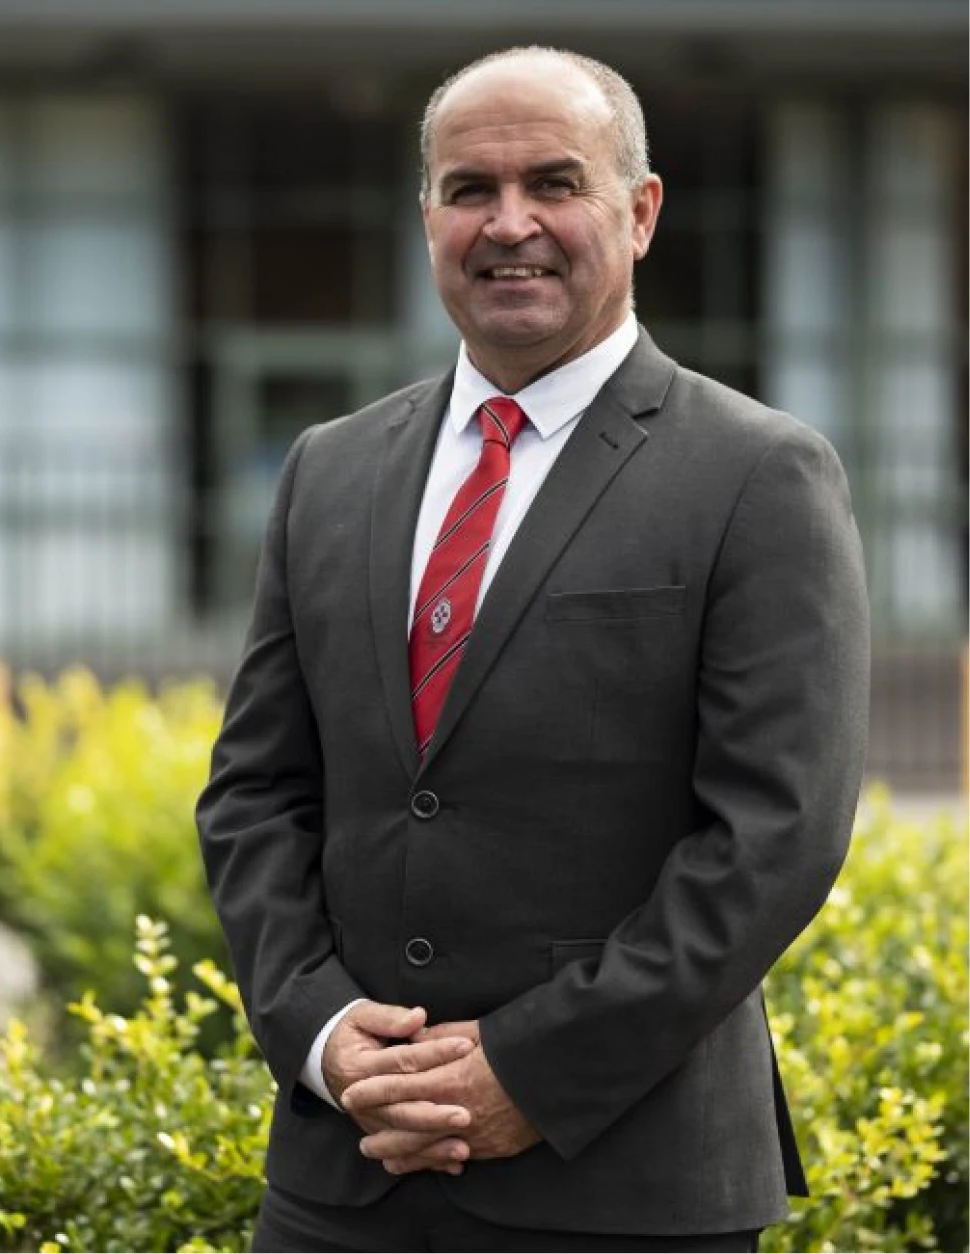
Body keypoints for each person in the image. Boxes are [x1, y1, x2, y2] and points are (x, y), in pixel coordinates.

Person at [197, 45, 870, 1254]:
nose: (509, 224)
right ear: (427, 218)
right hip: (342, 1179)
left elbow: (773, 836)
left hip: (624, 1183)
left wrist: (527, 1070)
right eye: (470, 190)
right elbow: (256, 791)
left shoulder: (757, 473)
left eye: (554, 184)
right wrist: (321, 1031)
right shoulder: (328, 470)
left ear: (640, 212)